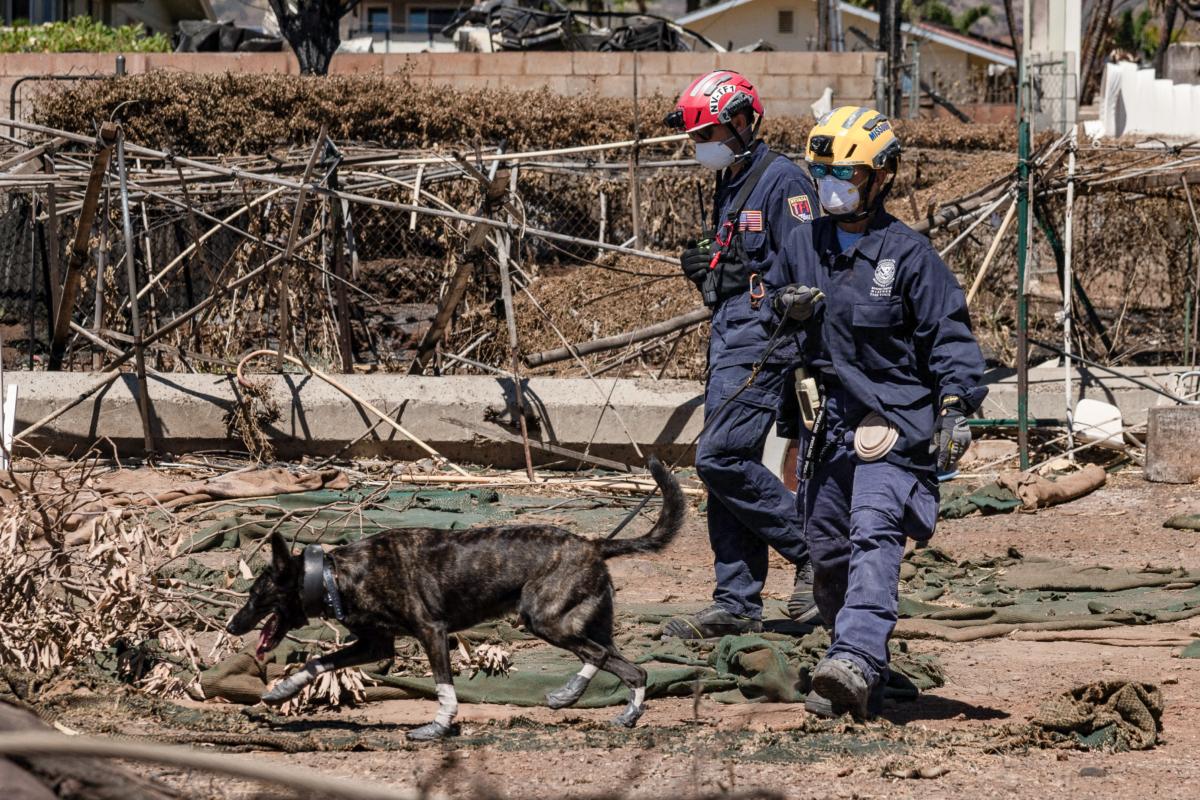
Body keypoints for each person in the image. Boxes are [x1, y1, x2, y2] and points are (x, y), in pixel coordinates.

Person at [765, 106, 986, 716]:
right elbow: (767, 312)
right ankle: (853, 656)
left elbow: (950, 337)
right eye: (822, 173)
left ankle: (858, 658)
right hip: (827, 427)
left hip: (892, 422)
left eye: (847, 175)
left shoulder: (910, 257)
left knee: (873, 532)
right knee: (826, 547)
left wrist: (954, 407)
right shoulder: (802, 245)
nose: (832, 186)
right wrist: (785, 307)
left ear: (881, 177)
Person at [661, 70, 820, 638]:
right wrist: (713, 275)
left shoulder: (785, 184)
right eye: (697, 138)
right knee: (729, 468)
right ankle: (736, 601)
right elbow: (744, 265)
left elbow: (805, 280)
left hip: (765, 343)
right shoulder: (730, 181)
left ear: (743, 121)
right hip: (729, 340)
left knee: (718, 457)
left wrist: (762, 288)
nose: (702, 147)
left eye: (709, 134)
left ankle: (815, 553)